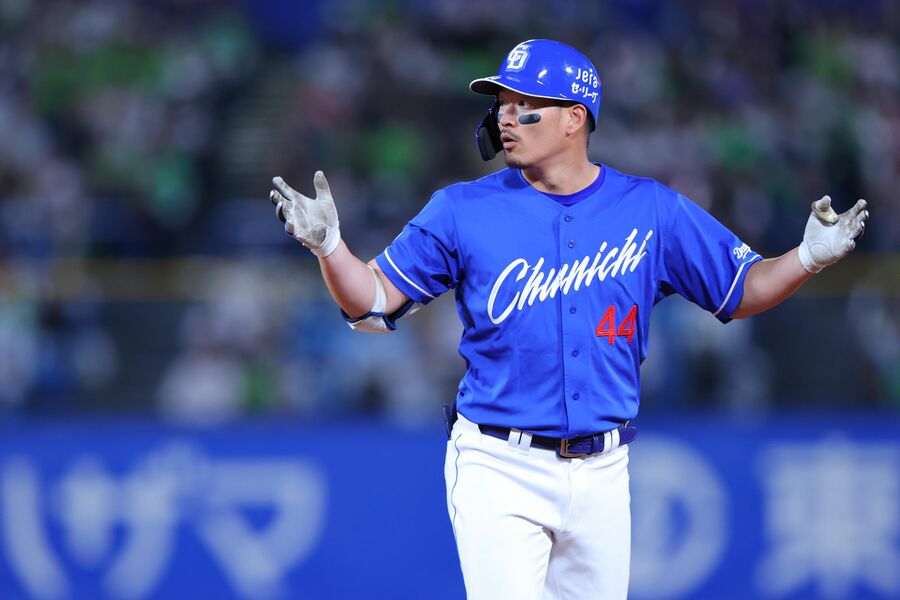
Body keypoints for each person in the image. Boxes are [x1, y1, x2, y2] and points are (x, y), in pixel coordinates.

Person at [268, 39, 869, 600]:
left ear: (574, 118)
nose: (505, 117)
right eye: (502, 104)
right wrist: (330, 248)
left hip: (604, 469)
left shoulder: (649, 209)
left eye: (524, 104)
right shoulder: (462, 209)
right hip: (498, 463)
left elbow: (741, 289)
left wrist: (807, 257)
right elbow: (372, 301)